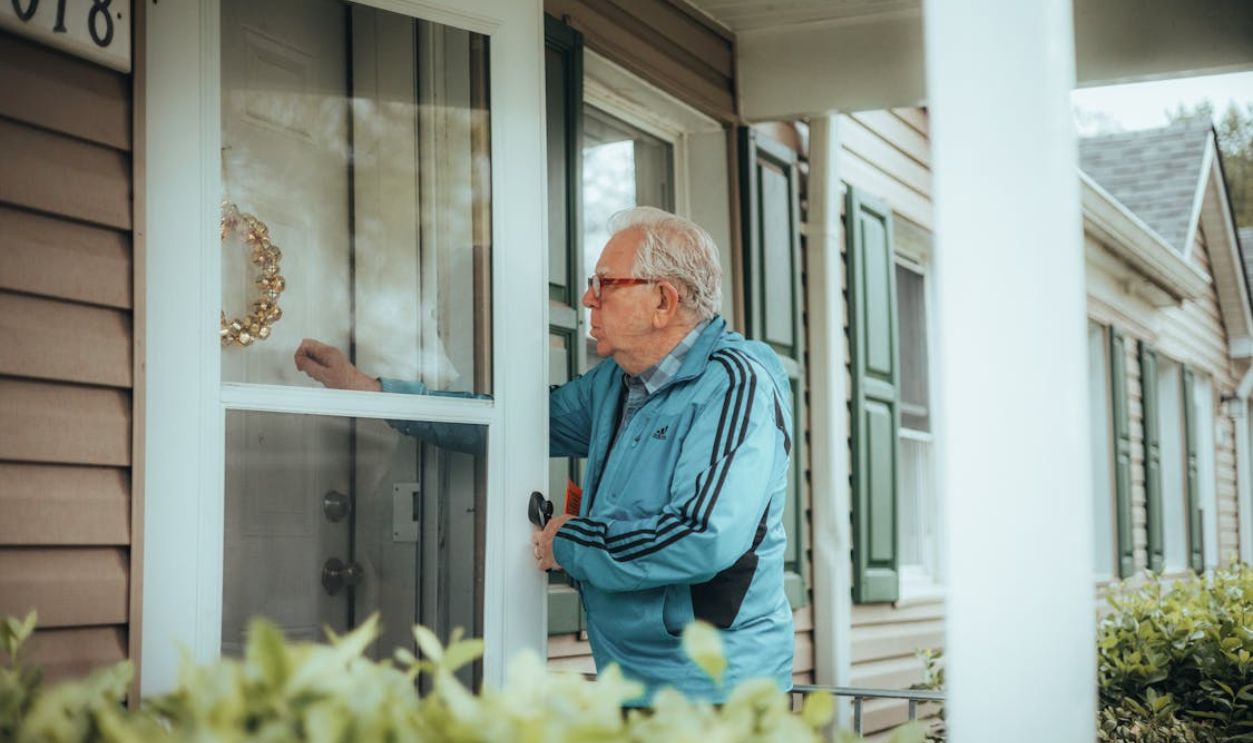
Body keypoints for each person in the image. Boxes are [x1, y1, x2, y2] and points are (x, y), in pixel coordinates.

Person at [294, 206, 795, 704]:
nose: (586, 299)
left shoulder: (734, 384)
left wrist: (569, 542)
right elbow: (508, 422)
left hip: (716, 693)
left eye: (604, 284)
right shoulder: (615, 385)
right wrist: (372, 391)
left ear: (663, 300)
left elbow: (702, 535)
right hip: (632, 683)